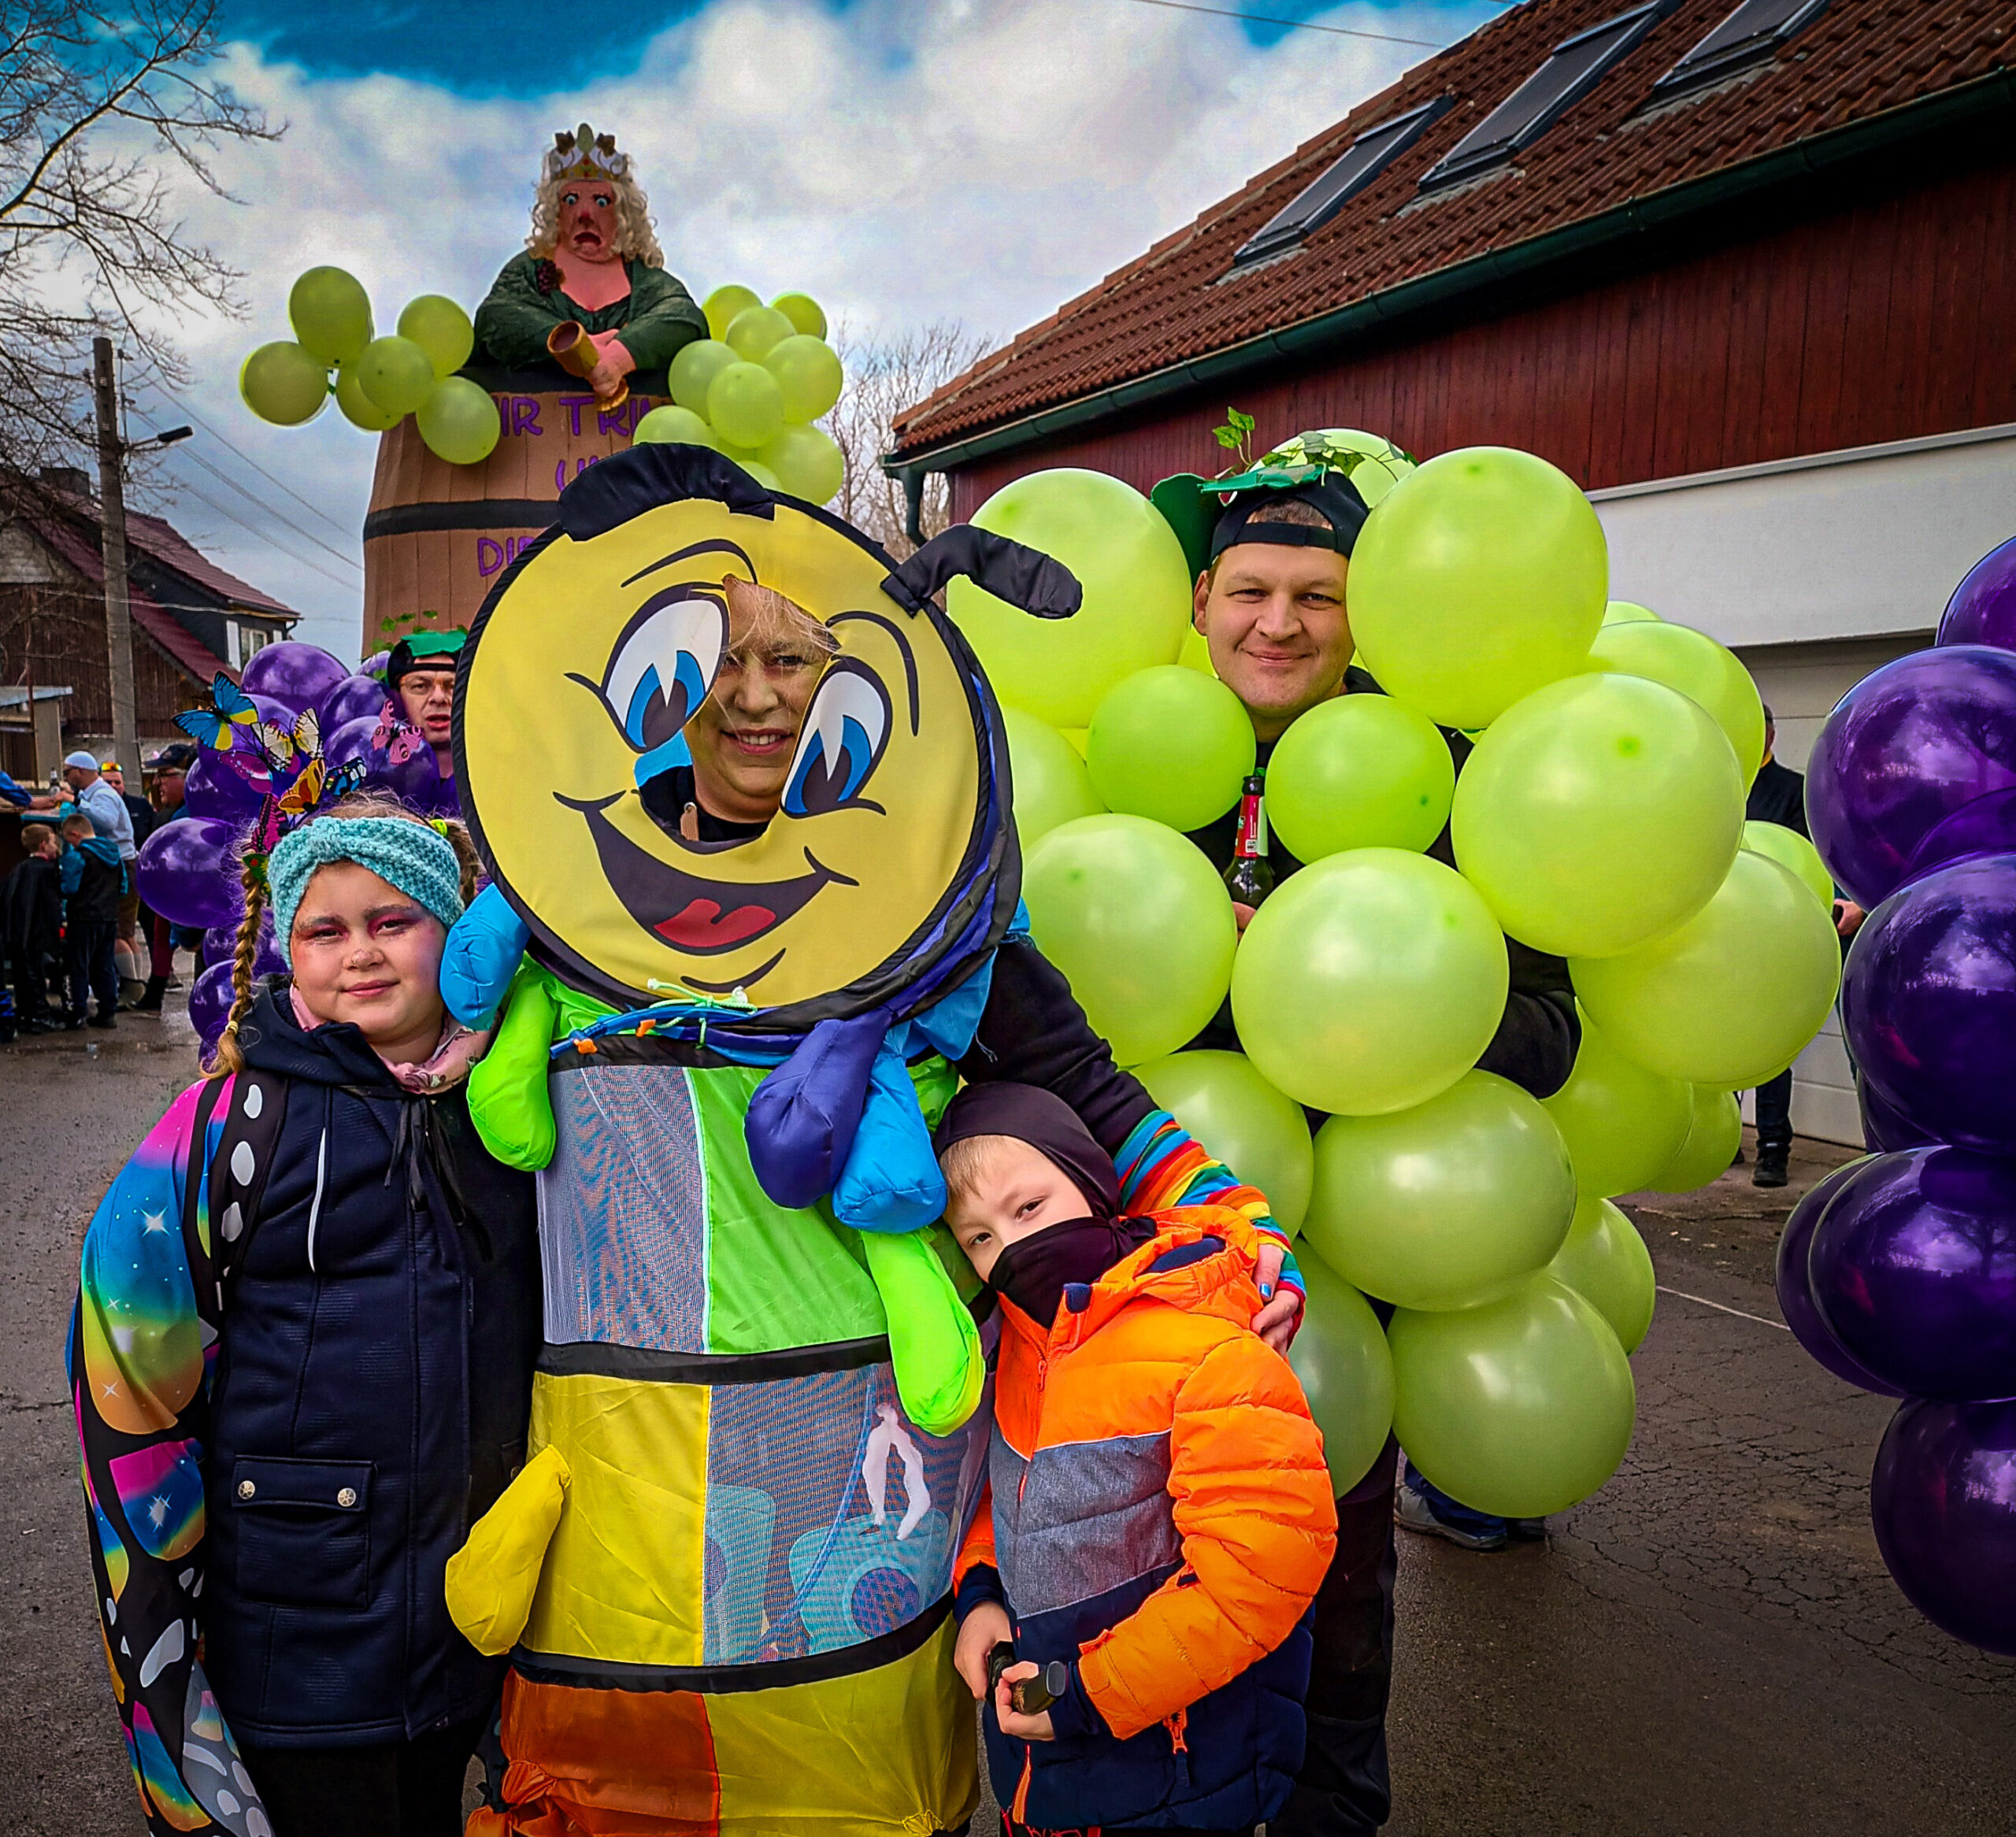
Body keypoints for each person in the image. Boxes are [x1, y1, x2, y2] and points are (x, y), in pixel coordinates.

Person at [437, 451, 1304, 1836]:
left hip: (867, 1470)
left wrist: (1234, 1226)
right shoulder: (555, 887)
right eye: (723, 657)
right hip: (626, 1470)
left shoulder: (935, 895)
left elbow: (1092, 1086)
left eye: (800, 664)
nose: (760, 694)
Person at [1163, 435, 1582, 1835]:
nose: (1277, 624)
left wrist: (1363, 997)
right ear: (1204, 597)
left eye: (1319, 596)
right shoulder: (1128, 754)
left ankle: (1337, 1801)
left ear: (1368, 614)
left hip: (1349, 1249)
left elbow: (1548, 1026)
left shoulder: (1449, 779)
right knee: (1138, 1571)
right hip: (1145, 1249)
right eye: (1251, 590)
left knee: (1332, 1563)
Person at [72, 794, 542, 1837]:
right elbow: (130, 1383)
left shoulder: (518, 1112)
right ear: (286, 945)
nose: (360, 954)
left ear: (454, 928)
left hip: (485, 1640)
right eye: (325, 929)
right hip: (299, 1648)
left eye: (393, 920)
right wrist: (163, 1622)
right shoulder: (231, 1124)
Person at [939, 1083, 1336, 1837]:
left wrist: (1087, 1693)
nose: (1013, 1248)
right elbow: (1015, 1486)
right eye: (979, 1238)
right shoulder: (1030, 1343)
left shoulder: (1209, 1348)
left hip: (1177, 1769)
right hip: (1050, 1767)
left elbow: (1259, 1574)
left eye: (1029, 1208)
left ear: (1093, 1187)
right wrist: (983, 1590)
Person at [472, 124, 705, 395]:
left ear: (622, 214)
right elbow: (496, 316)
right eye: (571, 200)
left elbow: (683, 315)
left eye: (601, 201)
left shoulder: (646, 279)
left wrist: (619, 356)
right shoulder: (528, 271)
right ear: (556, 211)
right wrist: (578, 349)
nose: (585, 214)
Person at [132, 742, 197, 1013]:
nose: (157, 782)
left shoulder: (187, 816)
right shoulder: (168, 814)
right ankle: (156, 988)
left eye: (165, 774)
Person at [60, 809, 124, 1028]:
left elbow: (69, 887)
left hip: (83, 917)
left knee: (79, 965)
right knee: (104, 965)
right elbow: (123, 887)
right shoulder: (114, 853)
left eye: (68, 839)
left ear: (75, 834)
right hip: (109, 917)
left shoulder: (77, 856)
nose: (69, 844)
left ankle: (78, 1013)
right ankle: (108, 1011)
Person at [2, 820, 63, 1033]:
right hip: (37, 933)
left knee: (22, 974)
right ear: (44, 845)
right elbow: (49, 908)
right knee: (36, 975)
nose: (57, 848)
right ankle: (40, 1015)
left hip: (17, 932)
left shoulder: (19, 869)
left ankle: (25, 1012)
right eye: (54, 843)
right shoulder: (46, 871)